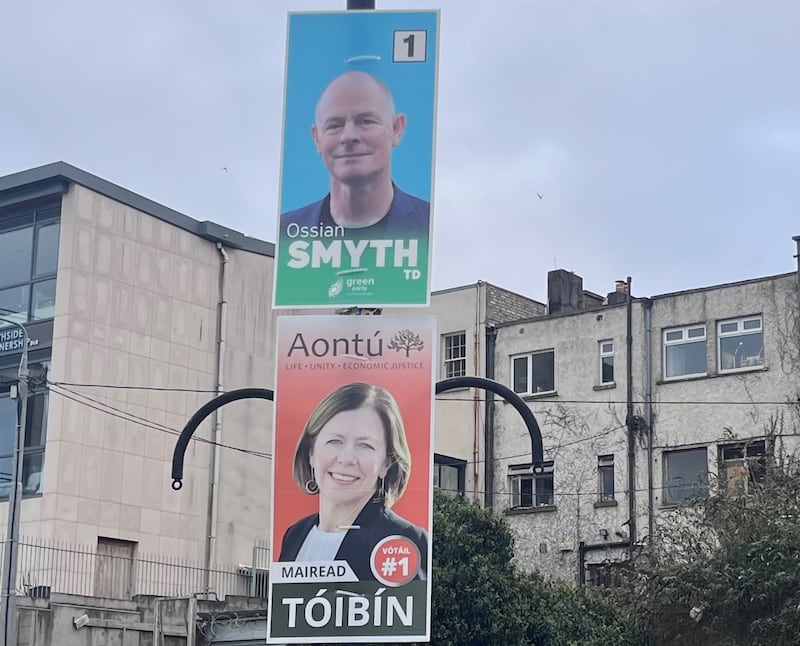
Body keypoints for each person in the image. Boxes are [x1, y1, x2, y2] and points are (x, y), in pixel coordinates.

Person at [278, 382, 428, 581]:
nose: (347, 458)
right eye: (335, 441)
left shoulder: (404, 539)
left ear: (386, 463)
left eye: (365, 445)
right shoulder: (295, 534)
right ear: (311, 452)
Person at [280, 70, 430, 236]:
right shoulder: (289, 234)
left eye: (366, 121)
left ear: (396, 129)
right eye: (334, 125)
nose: (349, 136)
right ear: (317, 139)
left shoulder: (430, 226)